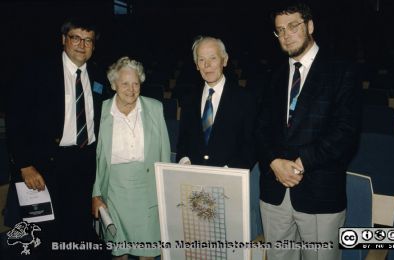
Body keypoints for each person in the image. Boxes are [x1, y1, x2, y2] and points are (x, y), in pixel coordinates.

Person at [256, 2, 361, 260]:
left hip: (319, 192)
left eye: (293, 26)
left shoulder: (341, 70)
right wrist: (273, 162)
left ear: (310, 25)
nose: (286, 35)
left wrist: (301, 163)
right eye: (280, 30)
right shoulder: (275, 74)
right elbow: (260, 129)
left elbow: (345, 133)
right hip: (274, 192)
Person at [5, 17, 110, 259]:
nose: (82, 45)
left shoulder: (99, 75)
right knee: (42, 234)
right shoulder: (37, 71)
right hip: (44, 166)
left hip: (84, 164)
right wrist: (24, 164)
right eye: (75, 38)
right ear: (63, 40)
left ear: (94, 45)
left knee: (76, 231)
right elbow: (16, 119)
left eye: (88, 40)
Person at [92, 56, 171, 260]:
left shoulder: (155, 108)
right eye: (125, 83)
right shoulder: (100, 112)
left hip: (148, 189)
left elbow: (164, 152)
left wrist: (166, 189)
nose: (131, 89)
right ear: (113, 84)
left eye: (136, 83)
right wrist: (96, 194)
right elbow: (95, 159)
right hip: (114, 191)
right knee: (119, 251)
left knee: (149, 250)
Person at [177, 36, 257, 169]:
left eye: (213, 58)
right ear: (197, 65)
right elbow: (183, 142)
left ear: (224, 60)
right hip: (193, 180)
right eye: (201, 59)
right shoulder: (189, 99)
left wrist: (230, 171)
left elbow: (251, 145)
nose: (207, 65)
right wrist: (185, 163)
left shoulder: (245, 99)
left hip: (230, 180)